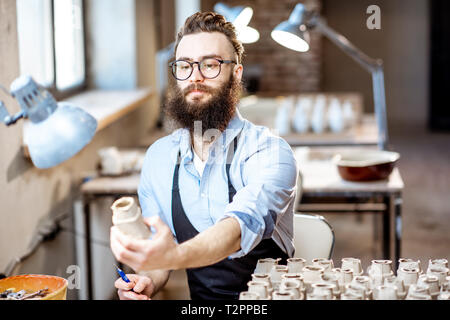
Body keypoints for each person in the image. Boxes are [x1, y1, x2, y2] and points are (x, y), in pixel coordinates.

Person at [110, 11, 298, 300]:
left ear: (236, 73)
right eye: (184, 66)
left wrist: (172, 257)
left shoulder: (269, 151)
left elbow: (237, 229)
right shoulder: (159, 158)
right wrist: (147, 279)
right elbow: (163, 248)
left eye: (210, 65)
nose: (195, 77)